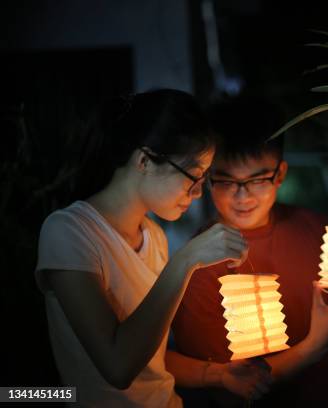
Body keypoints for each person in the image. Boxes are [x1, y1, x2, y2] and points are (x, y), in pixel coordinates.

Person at [35, 89, 272, 407]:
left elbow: (149, 361)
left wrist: (219, 374)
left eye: (204, 180)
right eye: (194, 177)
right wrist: (186, 260)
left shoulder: (153, 237)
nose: (198, 193)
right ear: (145, 160)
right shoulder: (68, 231)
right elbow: (118, 367)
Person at [168, 94, 328, 407]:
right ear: (207, 179)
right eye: (225, 180)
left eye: (257, 179)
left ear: (280, 174)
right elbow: (228, 392)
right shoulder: (196, 267)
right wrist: (314, 346)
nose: (242, 195)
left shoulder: (319, 231)